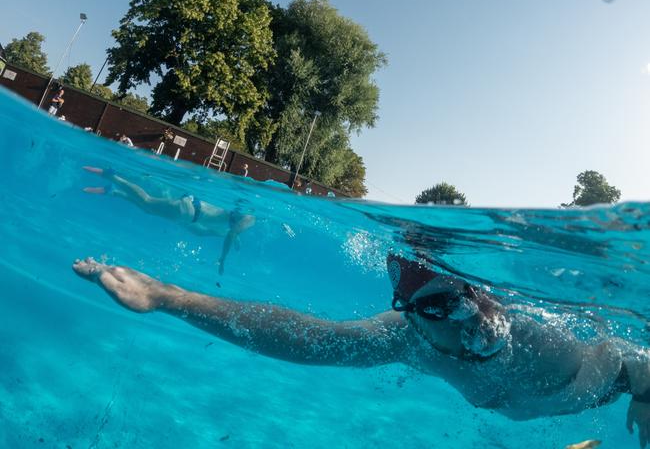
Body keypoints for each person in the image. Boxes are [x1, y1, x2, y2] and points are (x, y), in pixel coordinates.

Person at [71, 253, 650, 447]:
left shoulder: (535, 330)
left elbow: (624, 351)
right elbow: (303, 337)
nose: (473, 318)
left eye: (473, 298)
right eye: (442, 307)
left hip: (608, 384)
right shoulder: (404, 338)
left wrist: (645, 390)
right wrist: (170, 298)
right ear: (413, 318)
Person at [82, 167, 255, 274]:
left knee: (147, 208)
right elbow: (231, 232)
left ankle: (114, 191)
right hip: (188, 211)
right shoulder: (250, 217)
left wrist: (234, 237)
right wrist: (223, 258)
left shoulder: (243, 211)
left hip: (191, 211)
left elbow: (226, 230)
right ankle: (112, 176)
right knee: (147, 201)